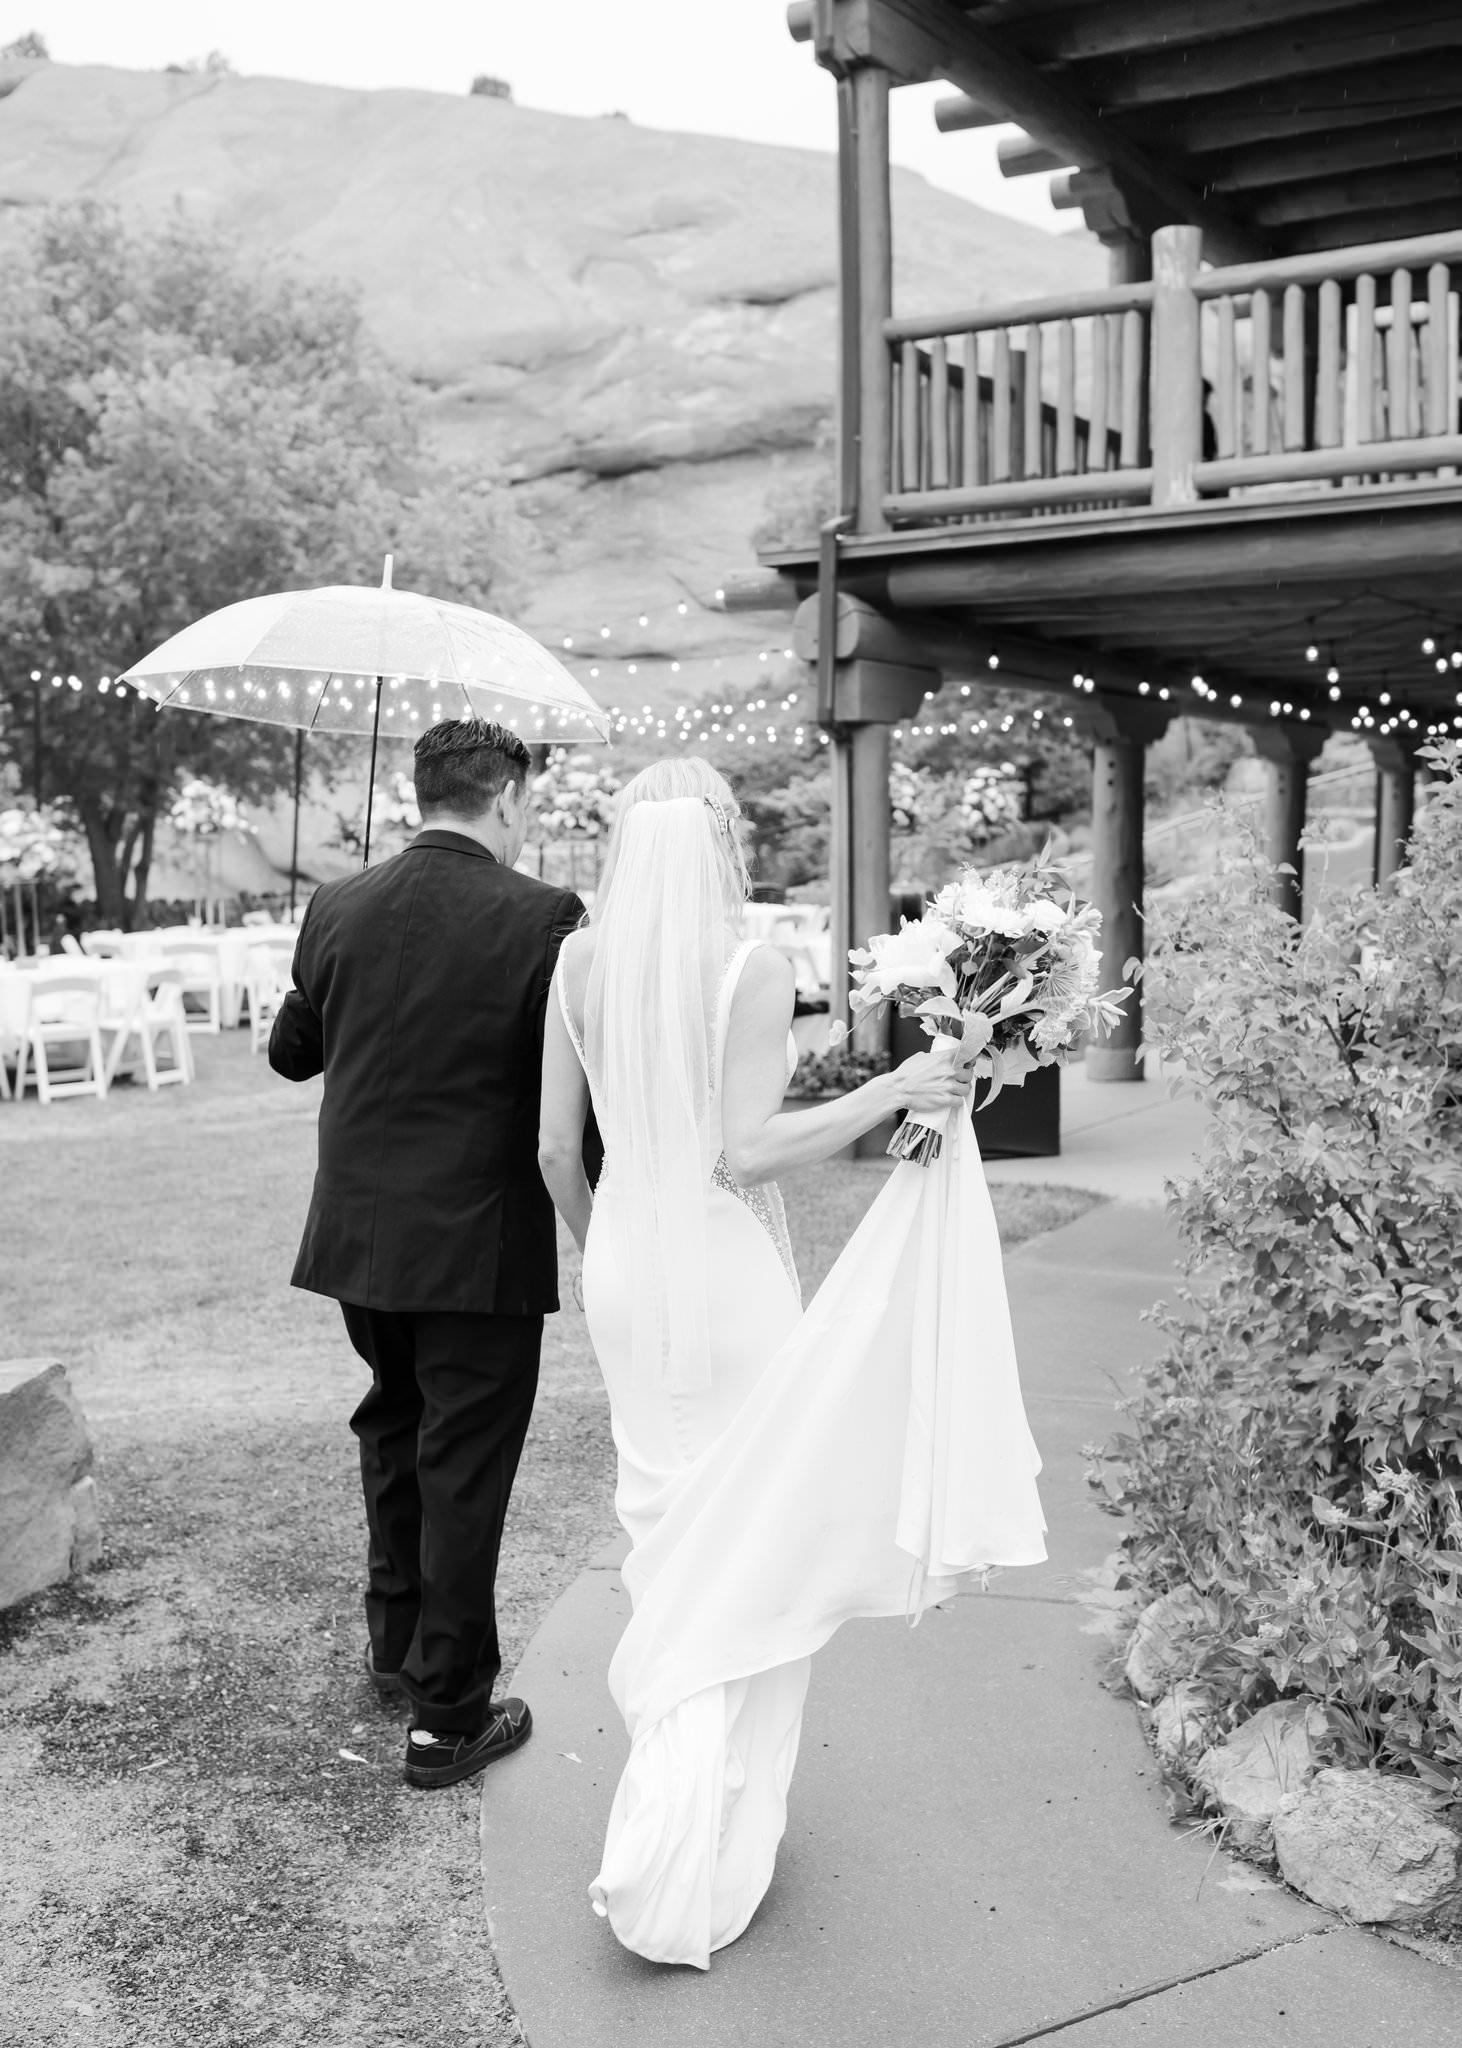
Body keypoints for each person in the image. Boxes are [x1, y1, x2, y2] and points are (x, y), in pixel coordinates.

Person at [537, 757, 1046, 1968]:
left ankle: (683, 1799)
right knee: (748, 1530)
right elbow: (749, 1153)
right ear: (717, 846)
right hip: (723, 1277)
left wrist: (612, 1253)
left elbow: (560, 1147)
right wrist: (896, 1083)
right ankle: (698, 1837)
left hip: (620, 1269)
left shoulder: (573, 963)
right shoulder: (746, 968)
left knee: (665, 1524)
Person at [269, 718, 584, 1789]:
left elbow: (290, 1053)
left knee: (393, 1425)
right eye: (528, 802)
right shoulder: (543, 914)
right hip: (477, 1240)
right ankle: (448, 1714)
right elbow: (565, 1090)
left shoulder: (336, 902)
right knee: (463, 1463)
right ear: (503, 797)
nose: (527, 819)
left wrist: (311, 975)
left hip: (359, 1235)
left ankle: (396, 1646)